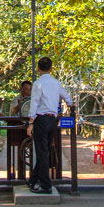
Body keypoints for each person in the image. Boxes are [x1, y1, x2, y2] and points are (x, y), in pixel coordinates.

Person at [26, 57, 72, 194]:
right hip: (53, 120)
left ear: (38, 68)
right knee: (44, 152)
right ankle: (33, 180)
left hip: (41, 119)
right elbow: (67, 98)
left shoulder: (38, 84)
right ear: (51, 68)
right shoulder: (56, 83)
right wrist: (71, 105)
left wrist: (30, 122)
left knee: (42, 153)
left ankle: (45, 185)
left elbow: (34, 103)